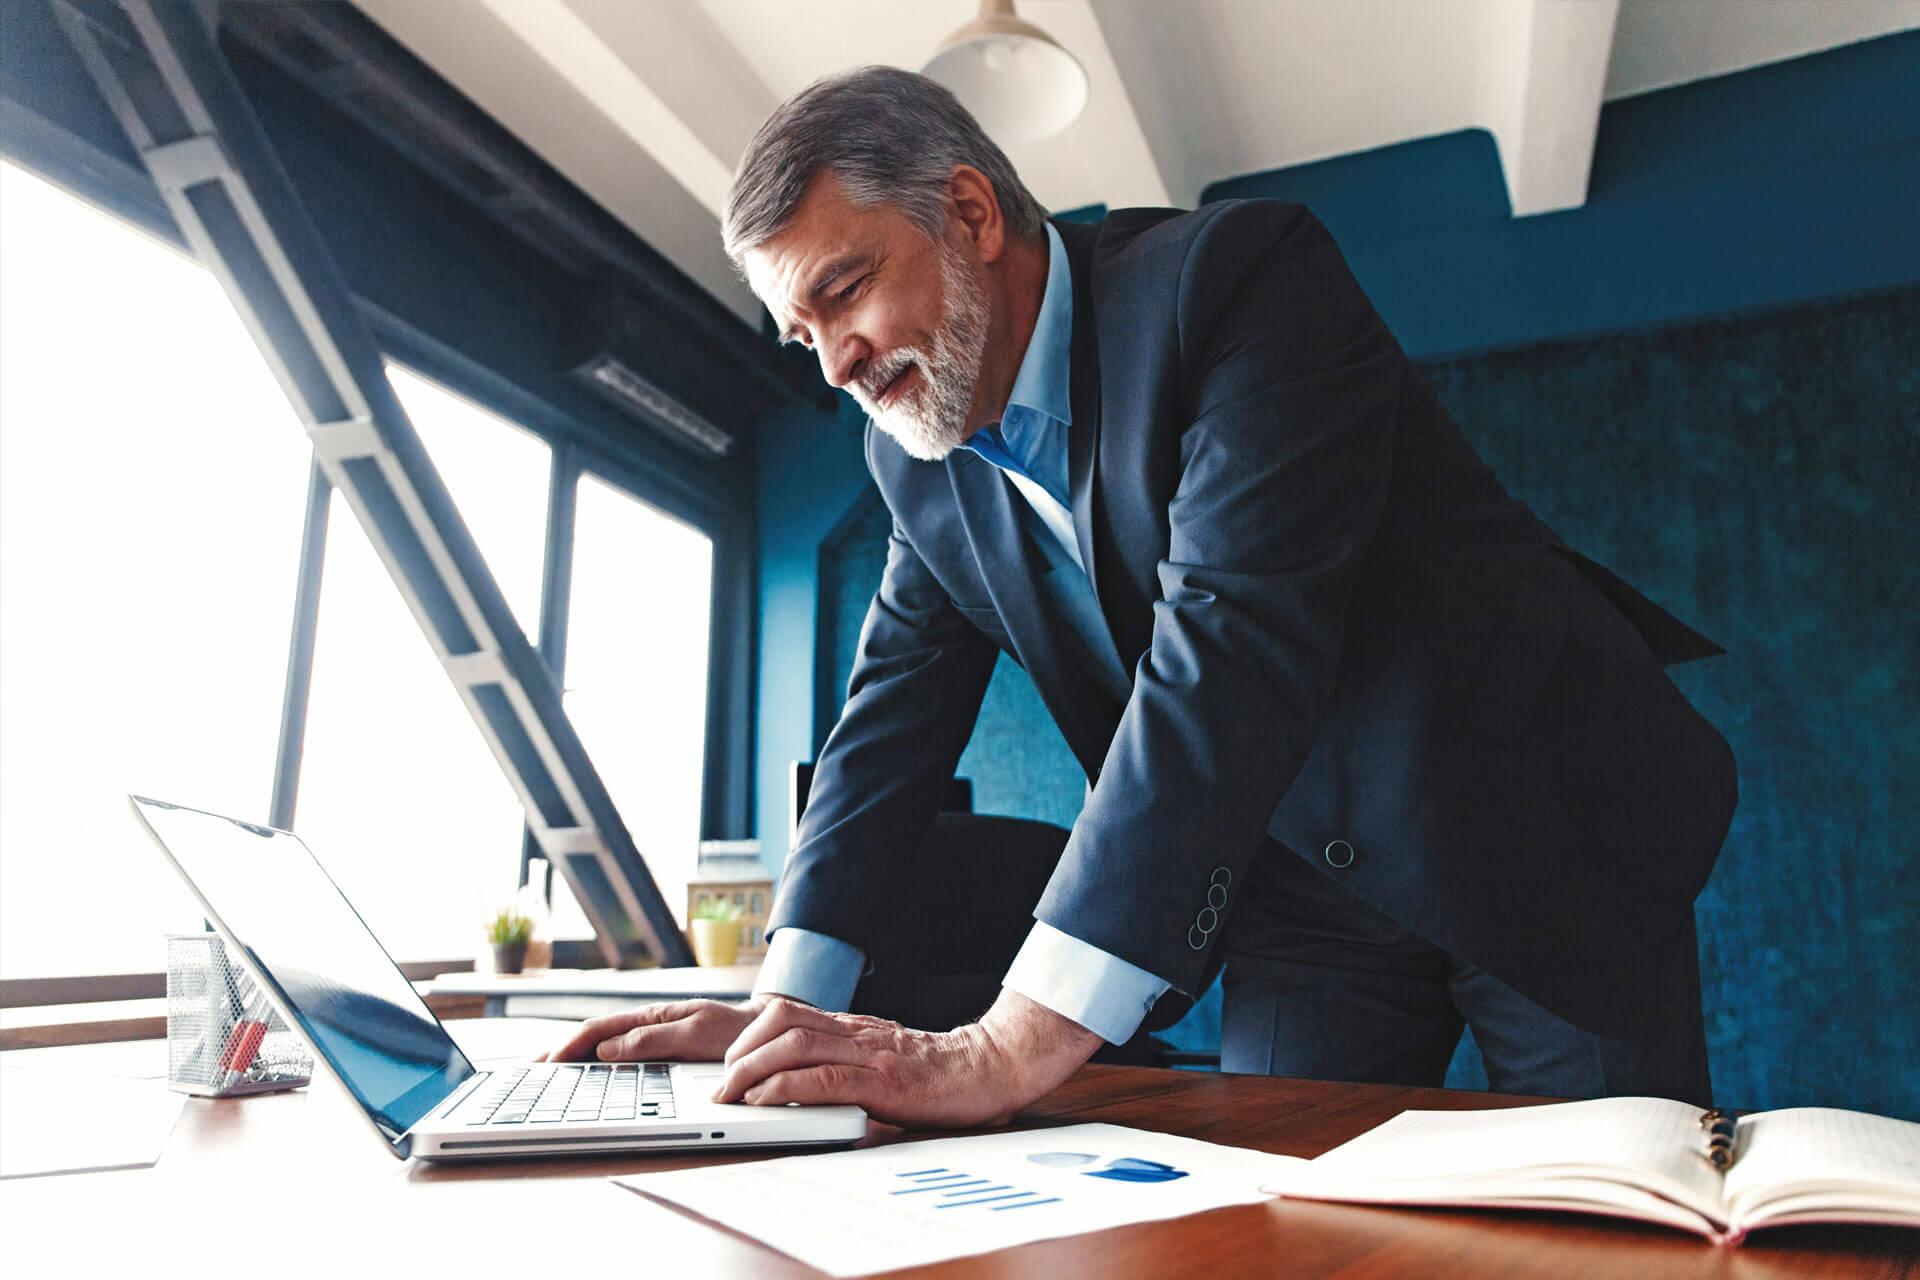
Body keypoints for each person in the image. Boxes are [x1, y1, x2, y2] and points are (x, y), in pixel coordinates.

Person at [541, 66, 1736, 1127]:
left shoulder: (1236, 280)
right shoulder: (914, 457)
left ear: (970, 211)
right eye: (806, 337)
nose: (840, 364)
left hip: (1530, 819)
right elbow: (886, 726)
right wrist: (783, 1010)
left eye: (845, 290)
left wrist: (1008, 1043)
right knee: (1267, 1227)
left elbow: (1232, 642)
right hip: (1299, 889)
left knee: (1622, 1213)